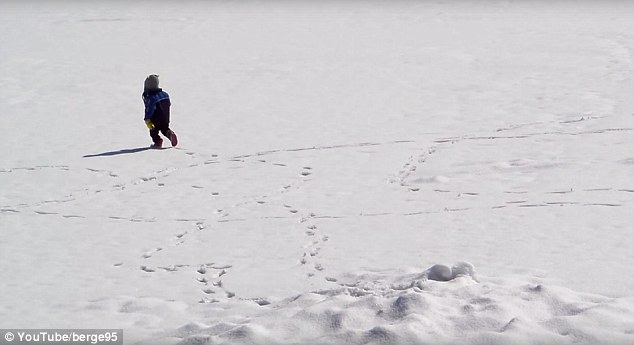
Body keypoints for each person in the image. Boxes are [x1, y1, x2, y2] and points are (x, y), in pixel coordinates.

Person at [142, 74, 178, 148]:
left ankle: (158, 141)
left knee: (153, 132)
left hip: (155, 120)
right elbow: (168, 104)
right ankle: (170, 134)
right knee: (165, 129)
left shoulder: (151, 98)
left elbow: (149, 108)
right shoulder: (165, 94)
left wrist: (147, 119)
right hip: (165, 118)